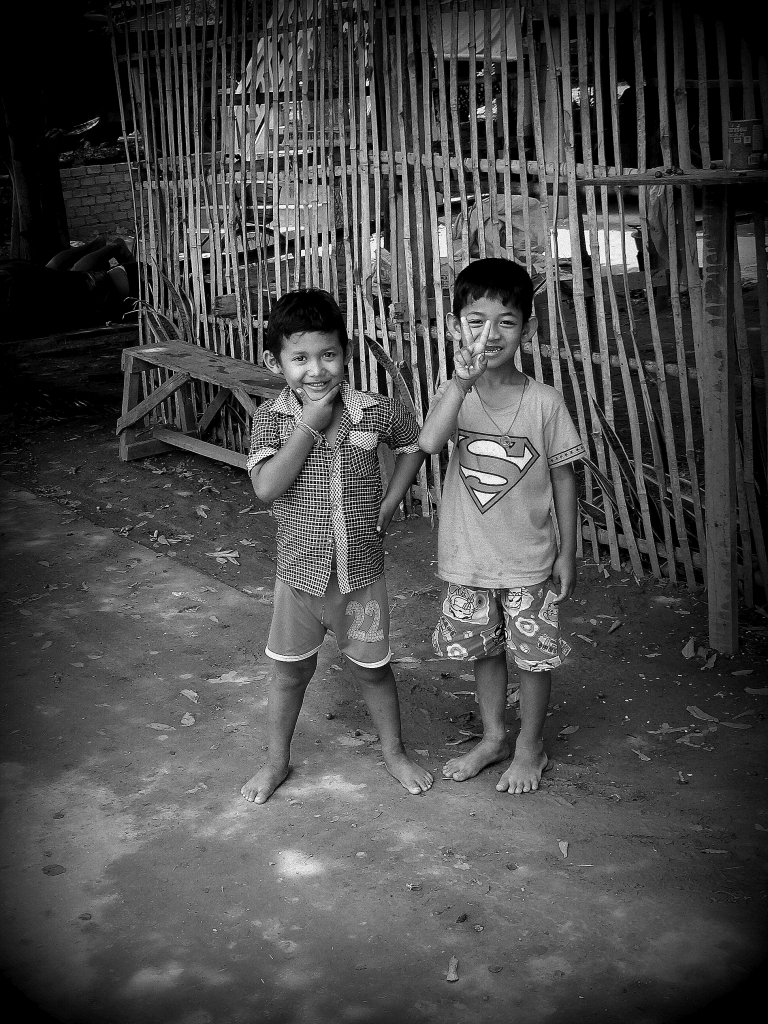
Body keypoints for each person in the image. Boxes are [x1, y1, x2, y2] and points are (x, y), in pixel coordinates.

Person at [240, 289, 432, 804]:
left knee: (373, 671)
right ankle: (276, 761)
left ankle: (393, 753)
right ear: (275, 362)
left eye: (327, 354)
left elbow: (415, 444)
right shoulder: (272, 419)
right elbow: (265, 487)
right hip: (299, 578)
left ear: (345, 353)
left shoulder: (373, 410)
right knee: (288, 673)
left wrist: (390, 504)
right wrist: (308, 425)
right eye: (299, 358)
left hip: (361, 577)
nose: (316, 370)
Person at [419, 258, 584, 795]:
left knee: (533, 657)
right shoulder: (454, 396)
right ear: (454, 325)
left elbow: (564, 478)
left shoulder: (545, 402)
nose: (489, 334)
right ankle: (493, 737)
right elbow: (429, 443)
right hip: (468, 558)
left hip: (529, 558)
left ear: (528, 330)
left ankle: (530, 745)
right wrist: (459, 383)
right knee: (483, 651)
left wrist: (568, 551)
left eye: (505, 322)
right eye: (475, 320)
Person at [0, 234, 140, 340]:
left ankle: (110, 247)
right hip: (100, 289)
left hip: (105, 288)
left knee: (70, 280)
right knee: (63, 277)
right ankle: (105, 247)